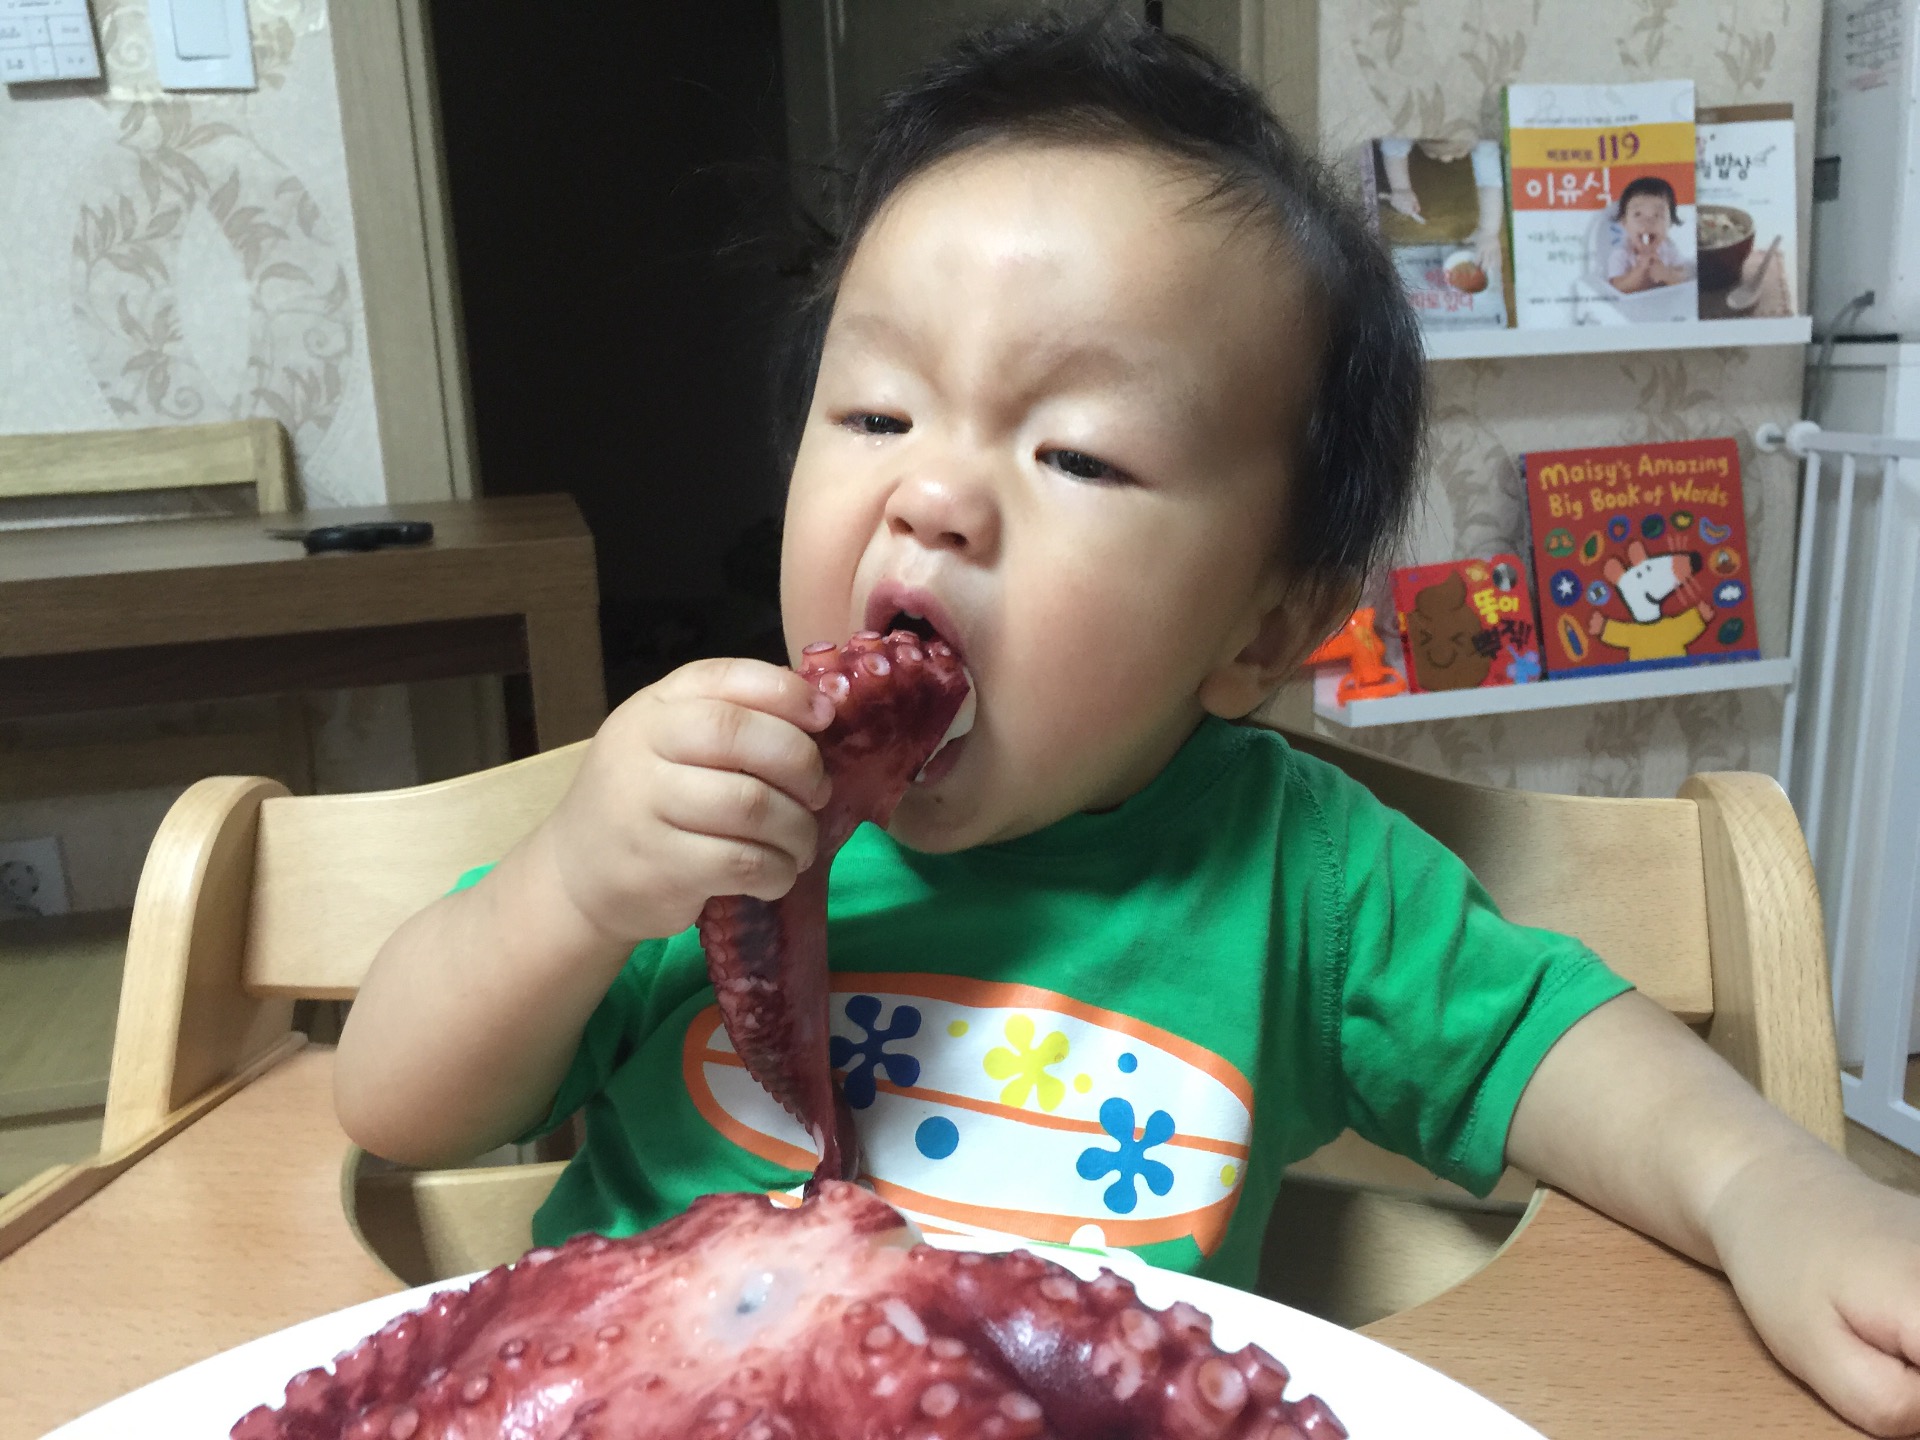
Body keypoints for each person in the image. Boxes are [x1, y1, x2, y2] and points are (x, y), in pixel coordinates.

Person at [336, 15, 1920, 1435]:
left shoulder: (1300, 878)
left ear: (1261, 631)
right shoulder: (692, 826)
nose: (934, 493)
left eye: (1079, 455)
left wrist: (1767, 1189)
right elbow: (396, 1108)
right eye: (876, 412)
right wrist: (572, 887)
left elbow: (1547, 1046)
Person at [1607, 175, 1692, 293]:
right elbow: (1617, 288)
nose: (1647, 222)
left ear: (1670, 223)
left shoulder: (1669, 248)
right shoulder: (1621, 254)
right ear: (1624, 222)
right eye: (1638, 214)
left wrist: (1667, 274)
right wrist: (1640, 270)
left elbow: (1685, 277)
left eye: (1657, 215)